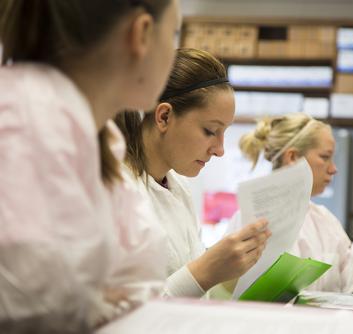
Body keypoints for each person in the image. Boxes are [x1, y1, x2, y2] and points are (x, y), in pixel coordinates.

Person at [0, 0, 180, 332]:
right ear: (141, 33)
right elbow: (32, 304)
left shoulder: (99, 134)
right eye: (174, 33)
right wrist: (95, 301)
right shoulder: (25, 121)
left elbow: (136, 281)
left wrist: (94, 302)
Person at [114, 48, 271, 298]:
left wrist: (231, 270)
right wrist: (204, 272)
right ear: (164, 117)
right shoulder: (115, 191)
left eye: (224, 133)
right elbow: (118, 316)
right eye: (210, 131)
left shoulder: (179, 188)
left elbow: (192, 294)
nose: (220, 150)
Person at [233, 113, 353, 294]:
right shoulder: (254, 220)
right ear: (293, 157)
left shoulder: (322, 218)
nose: (333, 169)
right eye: (325, 157)